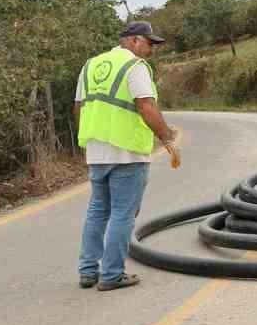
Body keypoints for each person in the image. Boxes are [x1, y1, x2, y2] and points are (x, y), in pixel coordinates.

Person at [73, 21, 181, 291]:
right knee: (123, 213)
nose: (152, 49)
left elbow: (79, 108)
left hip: (97, 151)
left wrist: (93, 139)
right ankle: (111, 274)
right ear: (133, 41)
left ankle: (88, 271)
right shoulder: (134, 66)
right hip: (127, 151)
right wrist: (167, 137)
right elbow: (146, 105)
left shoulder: (91, 65)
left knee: (98, 211)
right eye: (149, 43)